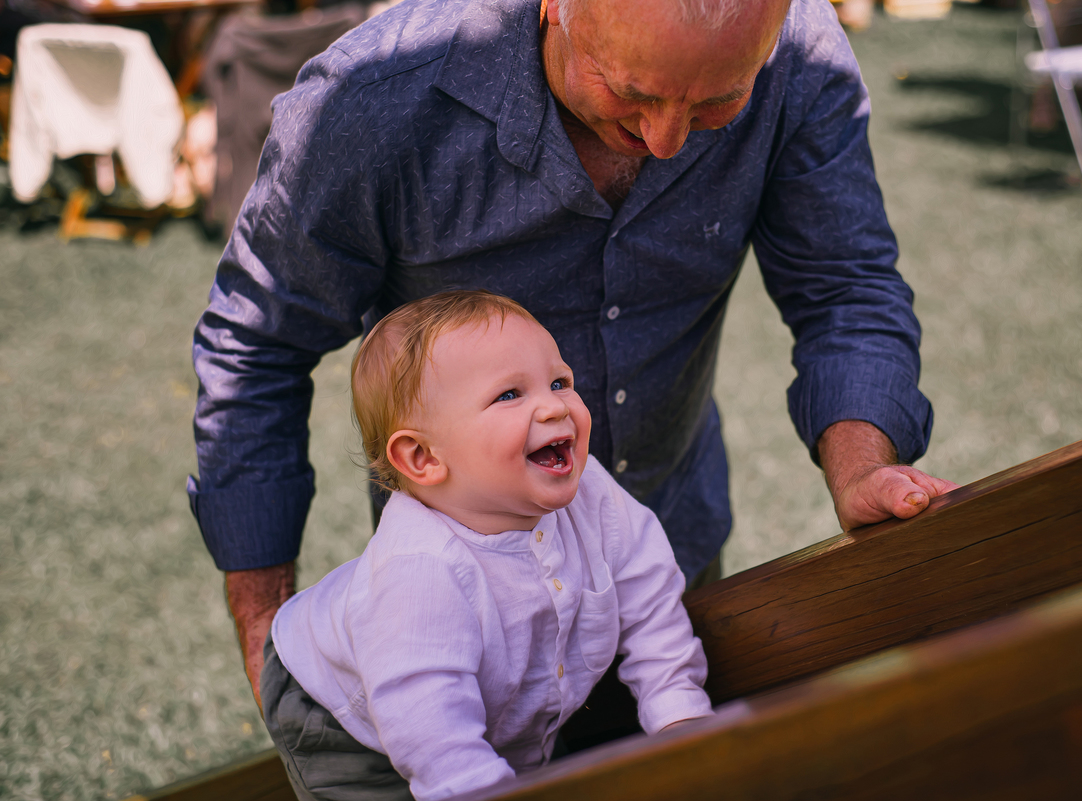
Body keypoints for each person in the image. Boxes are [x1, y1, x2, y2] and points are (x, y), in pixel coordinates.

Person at [190, 0, 960, 711]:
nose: (666, 139)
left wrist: (860, 466)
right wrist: (265, 632)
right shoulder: (377, 98)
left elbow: (843, 286)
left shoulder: (800, 53)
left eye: (719, 101)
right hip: (464, 614)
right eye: (632, 90)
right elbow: (257, 346)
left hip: (672, 551)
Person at [260, 290, 713, 800]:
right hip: (343, 717)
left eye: (559, 381)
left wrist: (678, 712)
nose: (553, 406)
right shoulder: (419, 574)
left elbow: (649, 601)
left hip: (494, 711)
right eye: (509, 395)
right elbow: (436, 739)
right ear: (423, 458)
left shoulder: (592, 494)